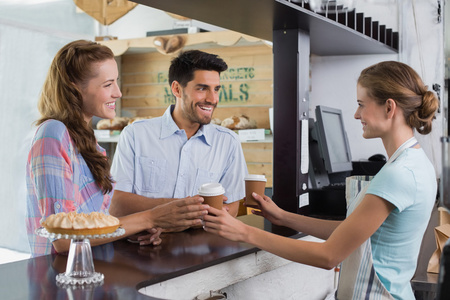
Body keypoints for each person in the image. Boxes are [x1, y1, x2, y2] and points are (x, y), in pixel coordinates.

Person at [203, 61, 439, 300]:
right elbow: (349, 233)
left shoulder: (398, 174)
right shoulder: (416, 163)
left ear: (389, 107)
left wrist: (244, 232)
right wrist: (283, 216)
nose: (357, 114)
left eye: (361, 105)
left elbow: (329, 256)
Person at [26, 40, 209, 257]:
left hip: (94, 272)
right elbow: (65, 239)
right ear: (74, 89)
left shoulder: (86, 140)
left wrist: (130, 231)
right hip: (58, 281)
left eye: (117, 82)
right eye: (108, 84)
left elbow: (95, 222)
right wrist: (150, 217)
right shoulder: (53, 134)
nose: (118, 93)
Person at [109, 50, 248, 228]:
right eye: (202, 88)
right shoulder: (135, 135)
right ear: (176, 89)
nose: (213, 99)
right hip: (143, 248)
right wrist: (179, 208)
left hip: (203, 250)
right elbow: (117, 204)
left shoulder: (228, 142)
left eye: (216, 89)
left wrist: (176, 211)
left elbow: (232, 208)